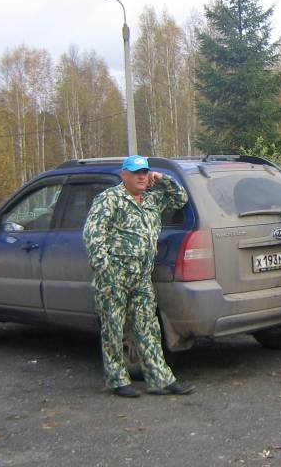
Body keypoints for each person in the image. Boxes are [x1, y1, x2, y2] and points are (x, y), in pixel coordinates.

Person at [83, 155, 195, 398]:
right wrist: (105, 270)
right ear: (124, 175)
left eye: (145, 172)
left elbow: (180, 198)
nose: (142, 176)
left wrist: (162, 178)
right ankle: (117, 380)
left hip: (142, 276)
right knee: (113, 329)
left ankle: (160, 380)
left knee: (148, 328)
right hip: (114, 276)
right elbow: (93, 235)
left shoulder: (152, 199)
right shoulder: (110, 199)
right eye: (136, 173)